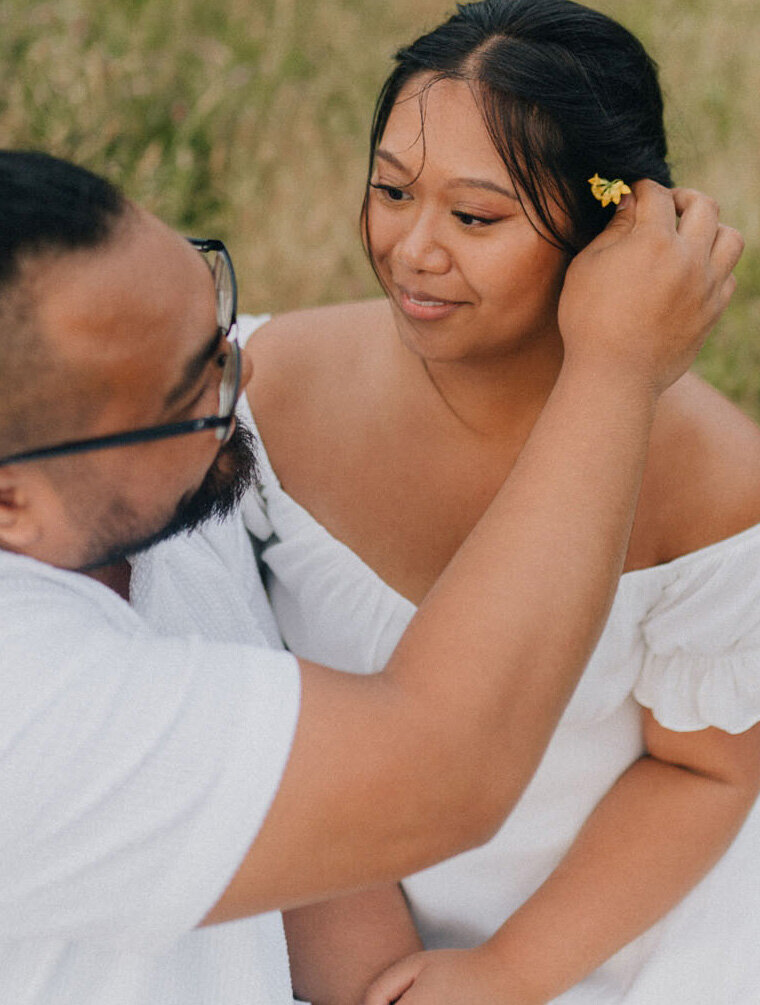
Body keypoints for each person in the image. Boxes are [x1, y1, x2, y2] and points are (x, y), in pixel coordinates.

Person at [0, 141, 737, 1005]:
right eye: (187, 392)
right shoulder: (33, 706)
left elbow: (281, 821)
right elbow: (445, 770)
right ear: (12, 503)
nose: (240, 376)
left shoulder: (131, 482)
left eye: (216, 312)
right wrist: (614, 369)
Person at [238, 1, 760, 1002]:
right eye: (390, 190)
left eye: (475, 217)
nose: (414, 249)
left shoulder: (710, 477)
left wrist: (510, 971)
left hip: (604, 929)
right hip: (306, 892)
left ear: (614, 225)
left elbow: (708, 773)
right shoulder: (271, 383)